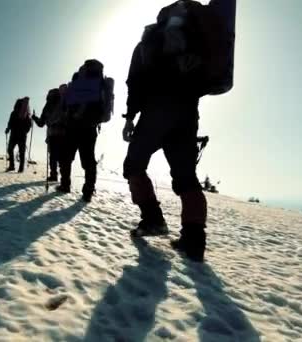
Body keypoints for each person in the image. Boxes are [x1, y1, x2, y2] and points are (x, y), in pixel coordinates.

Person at [121, 9, 208, 262]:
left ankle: (152, 220)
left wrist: (129, 117)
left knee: (134, 165)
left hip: (157, 110)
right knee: (186, 176)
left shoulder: (149, 41)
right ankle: (194, 241)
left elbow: (134, 82)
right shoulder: (196, 38)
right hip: (188, 112)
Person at [59, 60, 108, 202]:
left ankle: (65, 185)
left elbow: (66, 105)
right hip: (90, 127)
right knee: (88, 161)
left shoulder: (77, 80)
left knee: (66, 157)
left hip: (73, 126)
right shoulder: (100, 83)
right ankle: (88, 191)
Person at [32, 86, 67, 182]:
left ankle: (53, 176)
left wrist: (34, 118)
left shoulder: (47, 106)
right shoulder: (63, 102)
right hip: (64, 134)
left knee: (53, 157)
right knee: (62, 158)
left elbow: (41, 123)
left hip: (52, 134)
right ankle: (64, 181)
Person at [5, 97, 32, 173]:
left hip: (14, 134)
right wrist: (25, 131)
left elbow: (10, 122)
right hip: (21, 135)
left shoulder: (14, 113)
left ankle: (12, 166)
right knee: (21, 152)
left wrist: (8, 129)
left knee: (11, 149)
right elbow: (29, 125)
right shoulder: (27, 114)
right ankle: (20, 168)